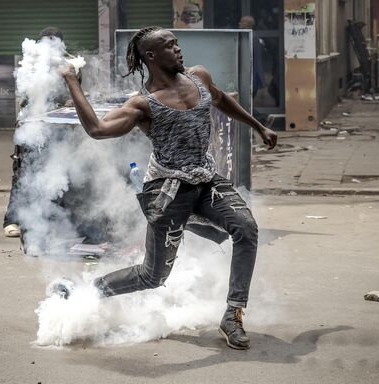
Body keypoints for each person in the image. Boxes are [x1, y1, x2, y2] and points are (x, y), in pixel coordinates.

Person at [58, 26, 277, 350]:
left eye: (177, 44)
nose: (178, 50)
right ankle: (88, 290)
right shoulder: (143, 104)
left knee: (246, 227)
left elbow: (221, 100)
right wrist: (72, 80)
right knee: (153, 276)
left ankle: (233, 314)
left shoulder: (198, 77)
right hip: (167, 190)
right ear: (151, 56)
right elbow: (97, 128)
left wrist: (258, 127)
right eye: (169, 46)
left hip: (206, 181)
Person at [3, 26, 71, 238]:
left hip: (57, 126)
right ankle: (12, 219)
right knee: (23, 172)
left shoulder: (70, 64)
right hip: (31, 125)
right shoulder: (31, 62)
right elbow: (26, 92)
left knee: (55, 171)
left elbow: (74, 92)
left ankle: (49, 218)